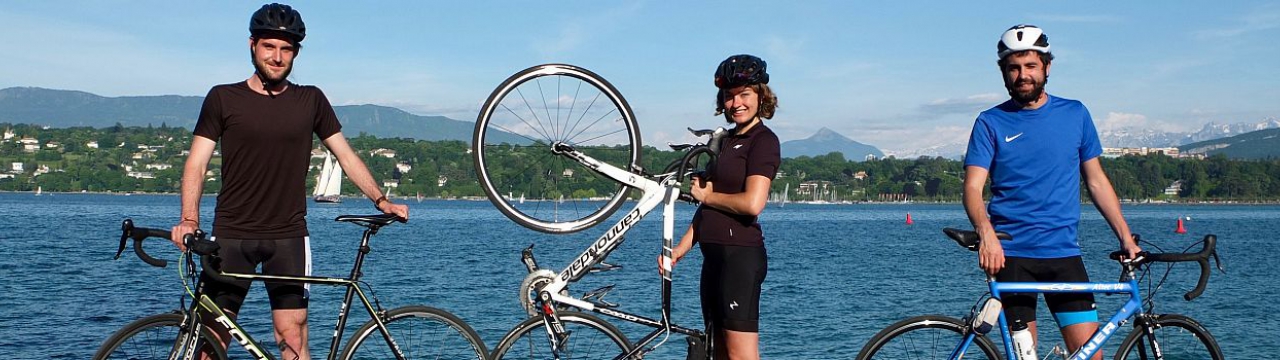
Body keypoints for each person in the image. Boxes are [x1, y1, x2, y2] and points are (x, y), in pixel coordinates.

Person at [169, 3, 409, 359]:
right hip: (232, 234)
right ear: (253, 45)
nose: (277, 57)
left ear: (295, 53)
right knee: (211, 343)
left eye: (287, 49)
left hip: (289, 236)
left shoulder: (310, 99)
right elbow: (196, 163)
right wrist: (190, 218)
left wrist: (380, 200)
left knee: (292, 340)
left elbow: (345, 155)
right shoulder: (223, 97)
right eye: (270, 46)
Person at [962, 24, 1141, 359]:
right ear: (1004, 72)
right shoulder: (990, 121)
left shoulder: (1075, 114)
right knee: (1025, 357)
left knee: (1091, 355)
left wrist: (1126, 237)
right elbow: (972, 187)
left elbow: (1097, 181)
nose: (1022, 75)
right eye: (1013, 68)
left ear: (1046, 67)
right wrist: (985, 233)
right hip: (1011, 255)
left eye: (1030, 66)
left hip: (1063, 253)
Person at [669, 54, 781, 360]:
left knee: (740, 356)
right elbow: (708, 207)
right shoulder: (727, 141)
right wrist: (680, 249)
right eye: (730, 97)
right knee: (716, 352)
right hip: (713, 262)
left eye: (745, 95)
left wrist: (707, 196)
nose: (737, 103)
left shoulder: (764, 141)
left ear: (761, 97)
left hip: (740, 259)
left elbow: (752, 204)